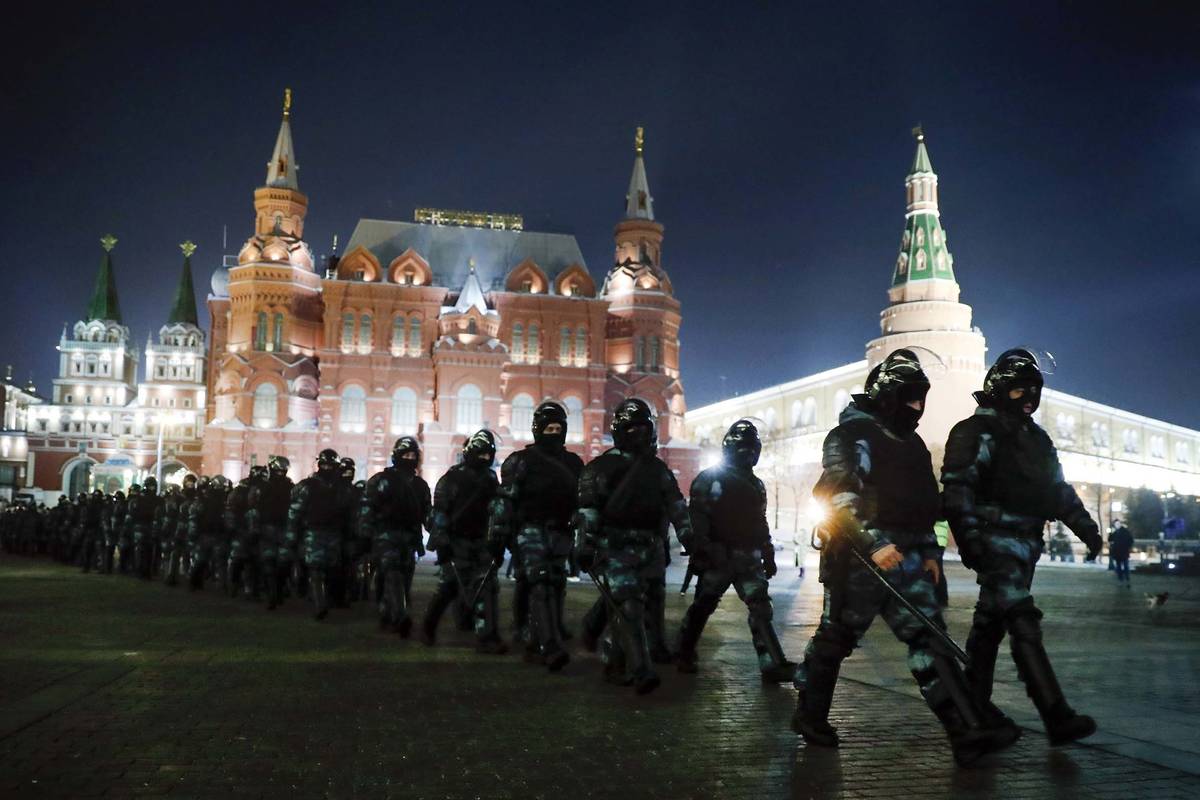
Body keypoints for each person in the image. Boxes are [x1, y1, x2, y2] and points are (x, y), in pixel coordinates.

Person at [791, 349, 1016, 766]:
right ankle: (810, 714)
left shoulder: (912, 444)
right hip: (860, 559)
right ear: (887, 395)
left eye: (921, 398)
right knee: (837, 638)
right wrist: (873, 544)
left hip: (909, 556)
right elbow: (839, 498)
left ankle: (965, 730)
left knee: (929, 640)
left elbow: (925, 503)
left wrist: (931, 551)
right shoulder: (850, 436)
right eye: (909, 397)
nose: (916, 408)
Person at [942, 347, 1102, 747]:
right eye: (1019, 390)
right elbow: (959, 488)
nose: (1028, 399)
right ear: (1000, 388)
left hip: (1027, 542)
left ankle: (972, 710)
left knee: (988, 626)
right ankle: (1055, 714)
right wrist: (970, 539)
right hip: (996, 541)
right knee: (1021, 618)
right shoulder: (976, 431)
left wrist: (1086, 528)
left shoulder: (1036, 438)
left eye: (1034, 390)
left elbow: (1057, 490)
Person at [575, 398, 691, 694]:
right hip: (614, 546)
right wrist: (585, 546)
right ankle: (641, 669)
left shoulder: (658, 470)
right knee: (628, 604)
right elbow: (588, 512)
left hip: (650, 547)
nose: (639, 434)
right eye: (633, 428)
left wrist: (688, 535)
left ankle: (609, 651)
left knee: (643, 600)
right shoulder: (600, 468)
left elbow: (676, 504)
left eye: (643, 427)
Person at [676, 419, 796, 682]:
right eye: (743, 448)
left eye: (752, 448)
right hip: (718, 557)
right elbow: (697, 518)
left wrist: (768, 552)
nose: (748, 453)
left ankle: (772, 662)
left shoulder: (757, 484)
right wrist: (704, 549)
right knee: (703, 606)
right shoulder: (709, 479)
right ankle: (684, 651)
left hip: (748, 557)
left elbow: (759, 520)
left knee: (761, 609)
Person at [491, 401, 584, 671]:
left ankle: (535, 640)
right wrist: (498, 534)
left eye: (558, 428)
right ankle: (551, 645)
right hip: (529, 529)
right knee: (540, 582)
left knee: (555, 583)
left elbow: (583, 501)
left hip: (560, 531)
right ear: (537, 430)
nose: (553, 433)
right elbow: (504, 500)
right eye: (549, 428)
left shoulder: (573, 463)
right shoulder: (520, 461)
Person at [423, 430, 505, 653]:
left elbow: (496, 510)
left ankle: (487, 636)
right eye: (482, 454)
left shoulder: (490, 478)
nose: (485, 459)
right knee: (450, 586)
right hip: (456, 540)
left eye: (488, 455)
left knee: (486, 587)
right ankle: (428, 627)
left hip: (480, 541)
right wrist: (442, 544)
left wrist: (497, 538)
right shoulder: (452, 478)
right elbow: (440, 513)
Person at [361, 438, 430, 634]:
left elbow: (427, 513)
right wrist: (365, 536)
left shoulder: (420, 485)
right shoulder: (380, 481)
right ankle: (399, 615)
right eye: (406, 455)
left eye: (413, 456)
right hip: (386, 536)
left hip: (409, 538)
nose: (409, 459)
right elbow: (368, 509)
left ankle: (389, 613)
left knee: (404, 577)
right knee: (391, 574)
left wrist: (439, 532)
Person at [289, 449, 356, 620]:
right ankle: (320, 604)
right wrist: (292, 533)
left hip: (333, 533)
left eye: (329, 465)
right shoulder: (310, 486)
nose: (326, 468)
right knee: (316, 569)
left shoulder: (342, 488)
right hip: (315, 532)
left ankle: (323, 600)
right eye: (324, 465)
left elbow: (351, 513)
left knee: (329, 570)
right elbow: (295, 511)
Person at [248, 456, 295, 609]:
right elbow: (253, 509)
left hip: (279, 529)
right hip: (269, 529)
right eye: (279, 471)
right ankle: (272, 593)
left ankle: (276, 592)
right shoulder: (263, 488)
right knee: (271, 562)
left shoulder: (289, 487)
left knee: (280, 563)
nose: (281, 473)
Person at [1109, 520, 1133, 586]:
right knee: (1120, 566)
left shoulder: (1124, 532)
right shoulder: (1115, 532)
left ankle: (1125, 579)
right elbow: (1110, 539)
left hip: (1123, 552)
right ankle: (1122, 579)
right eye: (1116, 524)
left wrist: (1127, 547)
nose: (1117, 525)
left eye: (1118, 524)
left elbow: (1130, 540)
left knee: (1125, 566)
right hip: (1118, 552)